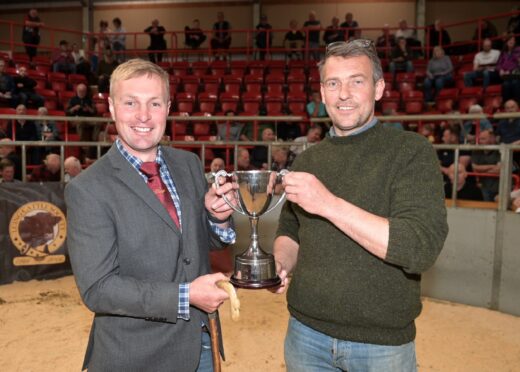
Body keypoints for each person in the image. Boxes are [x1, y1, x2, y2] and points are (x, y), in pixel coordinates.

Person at [271, 40, 448, 372]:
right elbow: (290, 231)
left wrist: (328, 204)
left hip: (382, 347)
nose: (343, 94)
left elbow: (418, 247)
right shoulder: (308, 159)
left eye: (357, 81)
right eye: (333, 83)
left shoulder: (410, 151)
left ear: (379, 88)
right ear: (322, 94)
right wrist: (280, 263)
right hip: (305, 336)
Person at [64, 59, 237, 371]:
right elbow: (98, 289)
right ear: (112, 107)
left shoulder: (189, 165)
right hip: (137, 357)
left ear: (168, 107)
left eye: (154, 103)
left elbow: (201, 245)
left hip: (201, 345)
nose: (143, 115)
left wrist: (218, 216)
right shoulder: (88, 189)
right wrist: (186, 296)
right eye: (131, 102)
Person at [471, 129, 501, 201]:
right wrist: (492, 166)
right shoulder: (476, 150)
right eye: (480, 139)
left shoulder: (500, 150)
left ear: (492, 139)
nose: (480, 141)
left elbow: (499, 170)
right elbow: (474, 168)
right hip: (483, 186)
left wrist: (480, 170)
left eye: (483, 139)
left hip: (499, 187)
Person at [496, 35, 520, 102]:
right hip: (506, 76)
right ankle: (506, 104)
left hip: (516, 75)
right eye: (510, 40)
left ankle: (517, 104)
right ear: (506, 42)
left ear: (515, 42)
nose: (511, 41)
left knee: (515, 83)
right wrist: (500, 70)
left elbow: (517, 64)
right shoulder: (503, 53)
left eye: (513, 40)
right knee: (505, 85)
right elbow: (498, 64)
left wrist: (509, 71)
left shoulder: (518, 50)